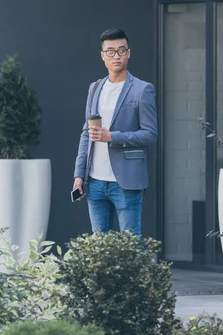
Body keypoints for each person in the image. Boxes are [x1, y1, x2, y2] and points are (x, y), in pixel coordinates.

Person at [72, 28, 158, 237]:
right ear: (103, 56)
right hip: (95, 181)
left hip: (125, 181)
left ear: (129, 53)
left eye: (121, 50)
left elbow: (150, 134)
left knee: (131, 243)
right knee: (99, 248)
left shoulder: (142, 89)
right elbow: (87, 133)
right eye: (110, 51)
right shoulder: (95, 88)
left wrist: (113, 137)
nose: (116, 56)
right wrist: (79, 174)